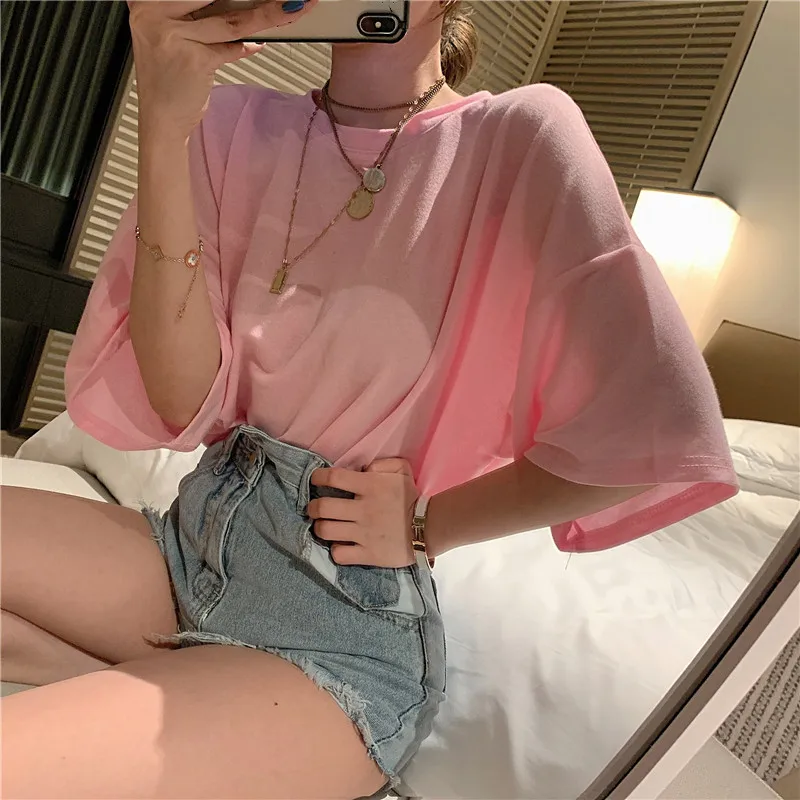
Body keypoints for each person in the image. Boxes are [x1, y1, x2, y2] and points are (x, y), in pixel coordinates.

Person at [0, 1, 739, 797]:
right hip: (192, 544)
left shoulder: (518, 135)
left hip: (340, 627)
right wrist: (164, 123)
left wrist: (427, 524)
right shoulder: (232, 124)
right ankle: (154, 686)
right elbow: (181, 400)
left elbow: (656, 428)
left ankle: (212, 711)